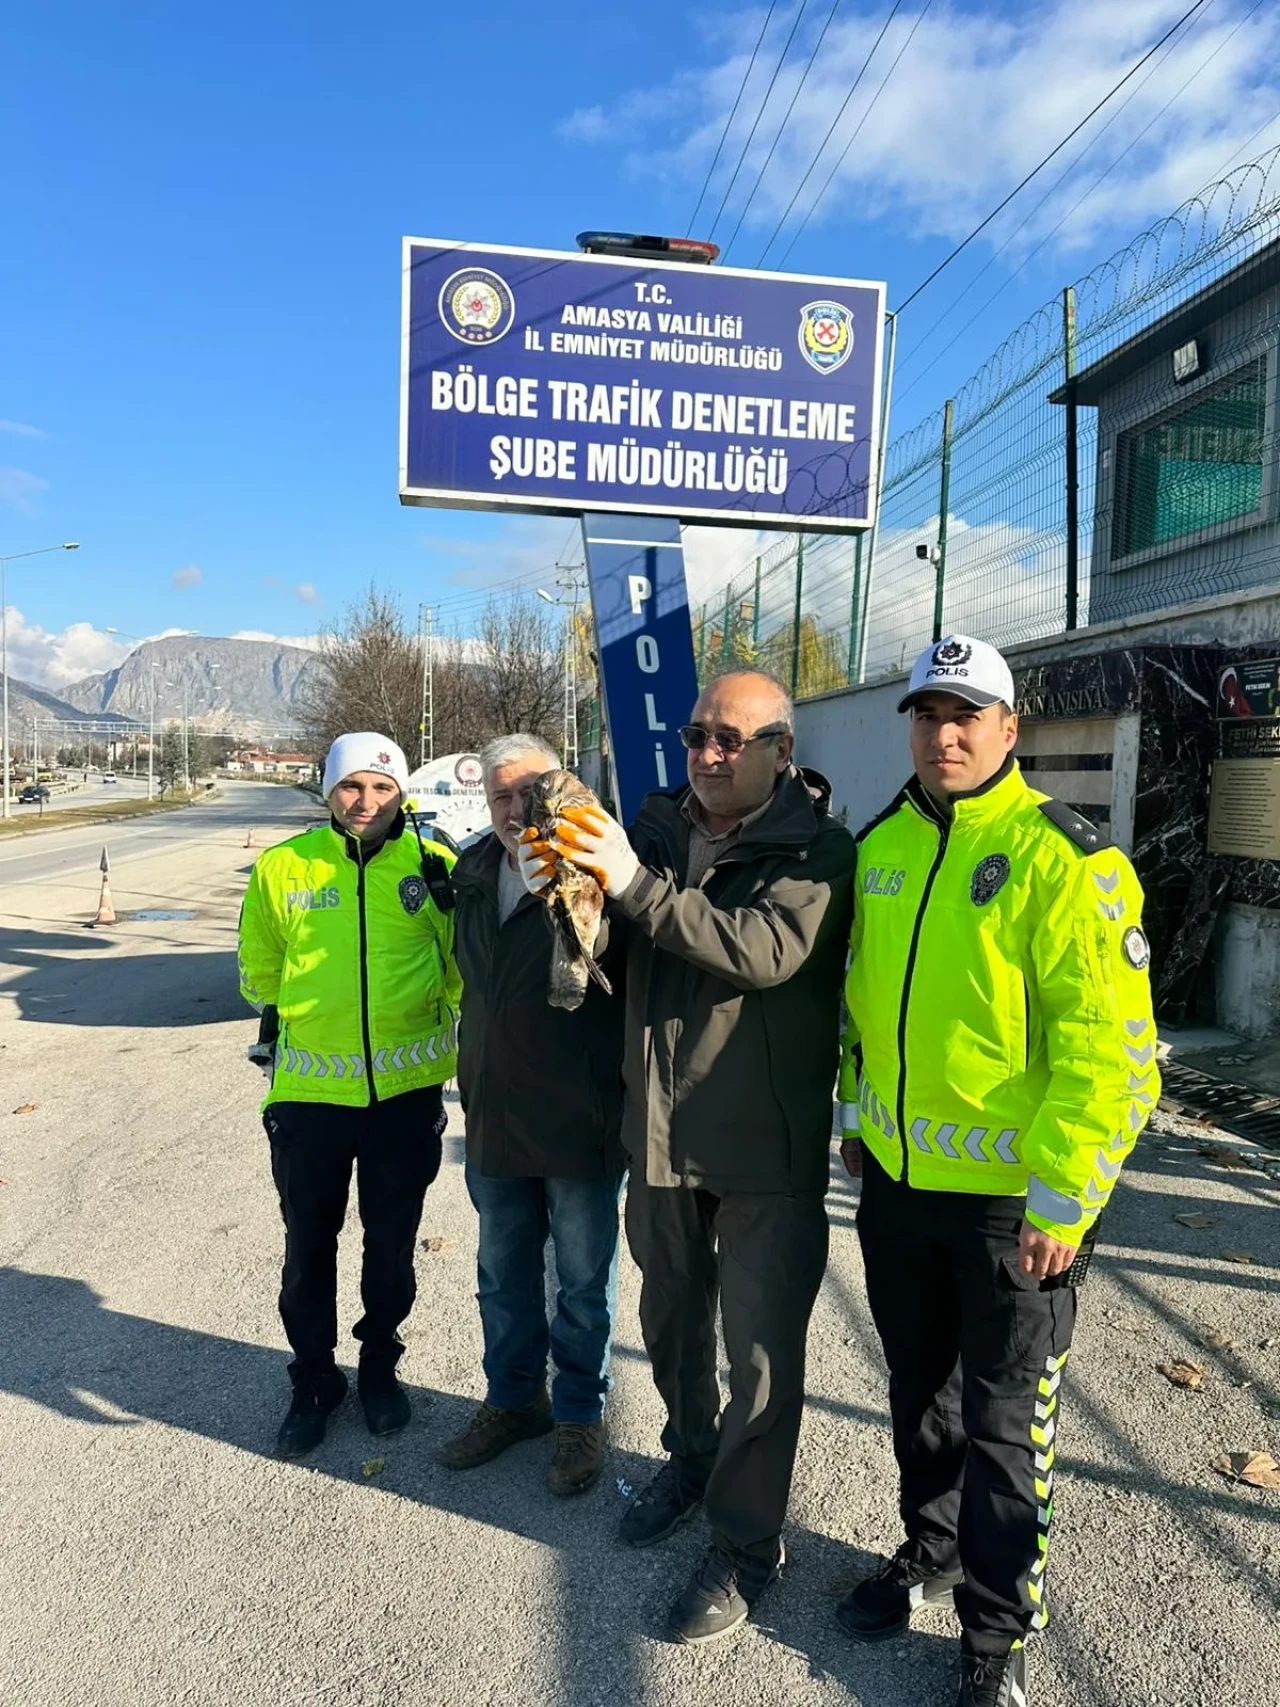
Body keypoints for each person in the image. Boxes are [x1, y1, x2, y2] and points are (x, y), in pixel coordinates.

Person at [835, 636, 1159, 1707]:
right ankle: (929, 1548)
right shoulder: (880, 845)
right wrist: (856, 1119)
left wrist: (1063, 1199)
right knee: (918, 1395)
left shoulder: (1067, 861)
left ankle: (995, 1634)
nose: (944, 733)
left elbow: (1112, 1056)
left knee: (1006, 1424)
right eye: (928, 715)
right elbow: (859, 1007)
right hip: (897, 1189)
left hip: (1012, 1212)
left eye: (965, 714)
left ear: (1008, 729)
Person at [545, 670, 857, 1645]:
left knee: (758, 1357)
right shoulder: (652, 827)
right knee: (672, 1323)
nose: (708, 755)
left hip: (764, 1148)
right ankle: (689, 1459)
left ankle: (747, 1543)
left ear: (781, 751)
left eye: (730, 738)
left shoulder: (818, 848)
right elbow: (612, 943)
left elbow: (760, 952)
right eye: (696, 736)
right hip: (661, 1134)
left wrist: (631, 886)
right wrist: (574, 902)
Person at [238, 732, 460, 1458]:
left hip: (406, 1092)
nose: (366, 801)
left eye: (382, 787)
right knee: (309, 1245)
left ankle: (378, 1366)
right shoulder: (282, 866)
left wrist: (438, 1016)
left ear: (402, 793)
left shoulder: (434, 866)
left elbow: (461, 962)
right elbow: (258, 964)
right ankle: (314, 1379)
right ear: (329, 789)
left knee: (390, 1245)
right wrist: (299, 1017)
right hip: (310, 1095)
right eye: (351, 786)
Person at [438, 734, 626, 1496]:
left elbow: (614, 952)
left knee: (581, 1283)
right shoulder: (472, 871)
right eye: (501, 796)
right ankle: (514, 1398)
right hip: (495, 1113)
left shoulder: (596, 866)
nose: (517, 808)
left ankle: (580, 1413)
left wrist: (582, 900)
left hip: (578, 1114)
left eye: (530, 791)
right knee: (501, 1274)